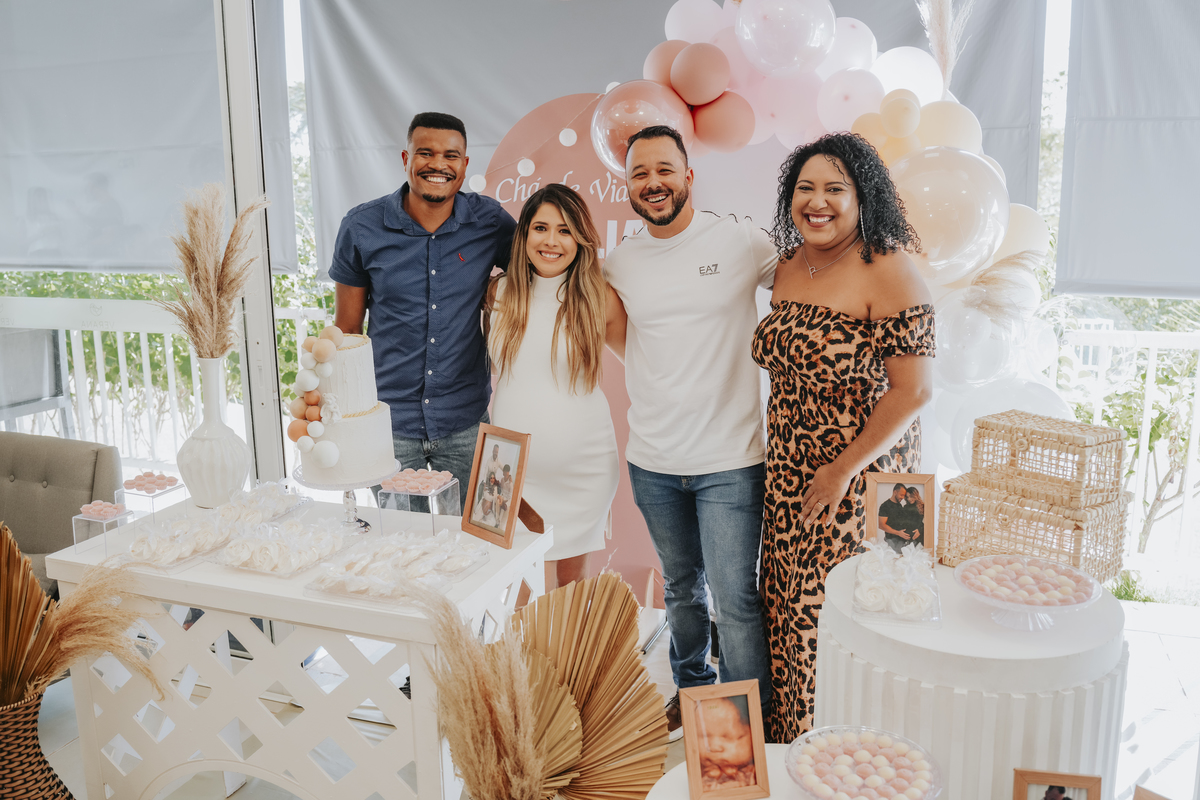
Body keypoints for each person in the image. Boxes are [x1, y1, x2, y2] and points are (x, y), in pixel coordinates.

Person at [753, 132, 934, 742]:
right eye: (805, 188)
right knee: (785, 614)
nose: (818, 201)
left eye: (835, 188)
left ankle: (846, 758)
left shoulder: (890, 268)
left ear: (863, 197)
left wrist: (839, 471)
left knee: (836, 623)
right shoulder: (789, 264)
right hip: (789, 470)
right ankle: (790, 752)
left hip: (858, 482)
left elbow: (913, 392)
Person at [604, 125, 777, 739]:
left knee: (735, 600)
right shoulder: (621, 261)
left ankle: (744, 729)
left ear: (688, 176)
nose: (653, 183)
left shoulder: (739, 241)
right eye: (640, 174)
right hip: (653, 460)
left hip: (730, 460)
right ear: (628, 186)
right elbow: (622, 338)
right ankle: (692, 690)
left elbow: (808, 283)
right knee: (681, 589)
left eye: (664, 170)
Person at [330, 112, 516, 498]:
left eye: (451, 156)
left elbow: (540, 275)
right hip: (389, 425)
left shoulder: (489, 222)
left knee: (478, 531)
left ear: (464, 165)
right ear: (406, 159)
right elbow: (347, 331)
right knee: (398, 535)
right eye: (425, 153)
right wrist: (346, 418)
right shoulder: (361, 227)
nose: (438, 164)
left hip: (466, 419)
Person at [485, 183, 624, 588]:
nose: (551, 241)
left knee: (569, 596)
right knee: (515, 593)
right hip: (508, 470)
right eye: (541, 228)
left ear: (580, 239)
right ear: (524, 234)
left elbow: (643, 365)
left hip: (583, 471)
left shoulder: (599, 298)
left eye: (565, 231)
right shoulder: (497, 292)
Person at [696, 696, 756, 790]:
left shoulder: (755, 771)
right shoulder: (698, 771)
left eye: (728, 736)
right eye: (704, 736)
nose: (713, 747)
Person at [877, 483, 912, 551]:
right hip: (892, 539)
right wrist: (898, 533)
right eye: (901, 495)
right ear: (895, 492)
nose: (903, 497)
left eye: (904, 496)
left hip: (902, 539)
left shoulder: (899, 505)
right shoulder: (885, 506)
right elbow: (881, 525)